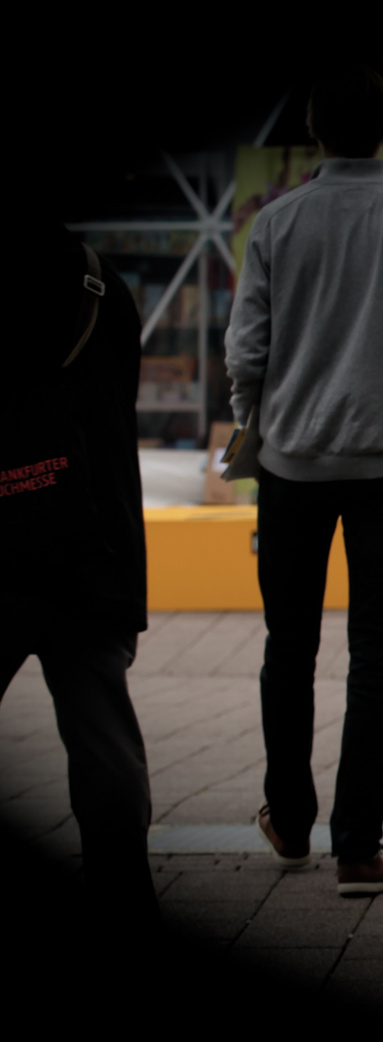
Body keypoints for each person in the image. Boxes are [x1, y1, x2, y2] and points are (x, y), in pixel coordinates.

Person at [224, 69, 383, 897]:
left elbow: (246, 353)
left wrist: (257, 422)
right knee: (378, 654)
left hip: (291, 468)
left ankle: (288, 821)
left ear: (312, 131)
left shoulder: (275, 223)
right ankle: (359, 848)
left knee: (286, 648)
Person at [2, 226, 158, 923]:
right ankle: (123, 894)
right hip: (94, 538)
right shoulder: (105, 285)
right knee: (100, 726)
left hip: (0, 544)